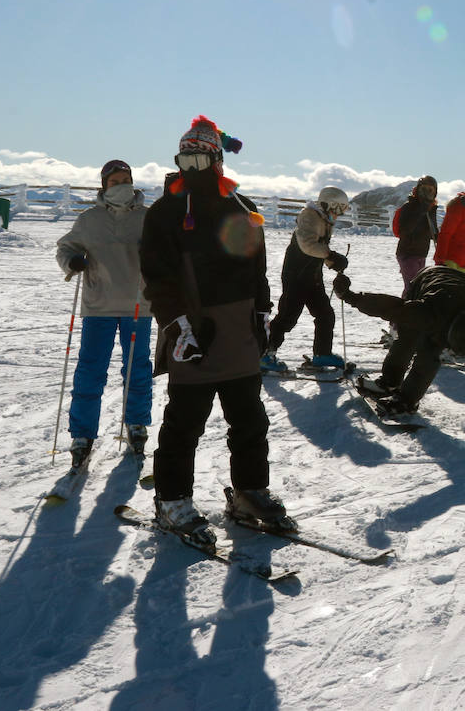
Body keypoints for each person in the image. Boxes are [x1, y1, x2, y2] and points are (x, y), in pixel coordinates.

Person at [140, 116, 291, 542]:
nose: (191, 167)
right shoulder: (166, 212)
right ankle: (172, 501)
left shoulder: (240, 207)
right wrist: (177, 326)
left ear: (217, 160)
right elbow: (157, 277)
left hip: (239, 332)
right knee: (184, 423)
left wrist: (263, 313)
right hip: (195, 333)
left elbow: (256, 269)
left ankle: (249, 491)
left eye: (199, 158)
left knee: (249, 420)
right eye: (184, 158)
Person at [54, 159, 153, 468]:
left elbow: (166, 251)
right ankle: (82, 434)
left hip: (139, 304)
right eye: (114, 181)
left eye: (126, 179)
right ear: (104, 185)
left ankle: (136, 423)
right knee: (90, 370)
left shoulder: (148, 218)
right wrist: (73, 262)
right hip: (98, 305)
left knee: (136, 367)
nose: (121, 186)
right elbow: (65, 248)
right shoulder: (89, 219)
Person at [331, 267, 465, 421]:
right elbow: (391, 307)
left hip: (464, 288)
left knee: (430, 351)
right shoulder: (428, 311)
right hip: (426, 282)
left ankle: (407, 400)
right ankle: (390, 382)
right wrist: (349, 296)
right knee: (412, 340)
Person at [260, 187, 351, 372]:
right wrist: (331, 255)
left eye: (343, 209)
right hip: (296, 275)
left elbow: (319, 247)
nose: (339, 213)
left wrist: (331, 262)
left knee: (325, 314)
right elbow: (308, 245)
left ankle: (322, 354)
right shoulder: (310, 216)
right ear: (328, 204)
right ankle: (264, 354)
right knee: (287, 316)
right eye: (338, 208)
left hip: (312, 276)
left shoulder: (324, 220)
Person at [394, 175, 439, 294]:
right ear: (418, 190)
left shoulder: (431, 209)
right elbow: (405, 230)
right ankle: (405, 311)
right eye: (424, 189)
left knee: (417, 286)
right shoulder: (409, 207)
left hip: (421, 253)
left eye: (431, 190)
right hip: (407, 254)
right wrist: (420, 211)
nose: (427, 193)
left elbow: (433, 232)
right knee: (413, 288)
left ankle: (406, 309)